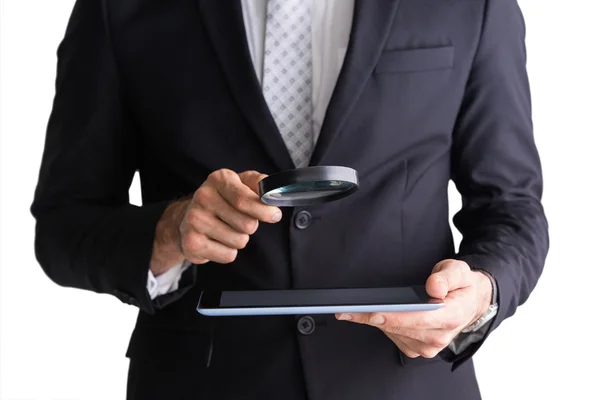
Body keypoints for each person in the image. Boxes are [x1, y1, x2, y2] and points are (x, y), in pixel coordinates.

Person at [30, 0, 549, 399]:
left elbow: (512, 206)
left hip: (404, 385)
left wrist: (482, 292)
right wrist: (170, 232)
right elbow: (63, 224)